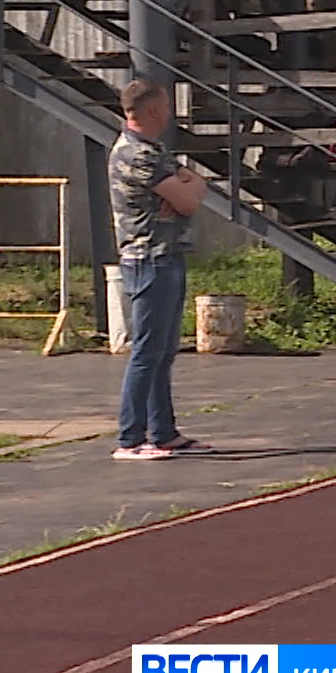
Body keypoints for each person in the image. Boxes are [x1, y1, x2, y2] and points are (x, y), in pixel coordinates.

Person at [108, 80, 209, 459]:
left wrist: (187, 188)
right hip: (149, 257)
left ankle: (163, 431)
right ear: (152, 111)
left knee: (164, 350)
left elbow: (195, 185)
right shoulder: (138, 156)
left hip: (166, 256)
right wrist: (184, 190)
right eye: (165, 107)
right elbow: (189, 201)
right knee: (147, 352)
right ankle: (130, 438)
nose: (169, 114)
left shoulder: (155, 151)